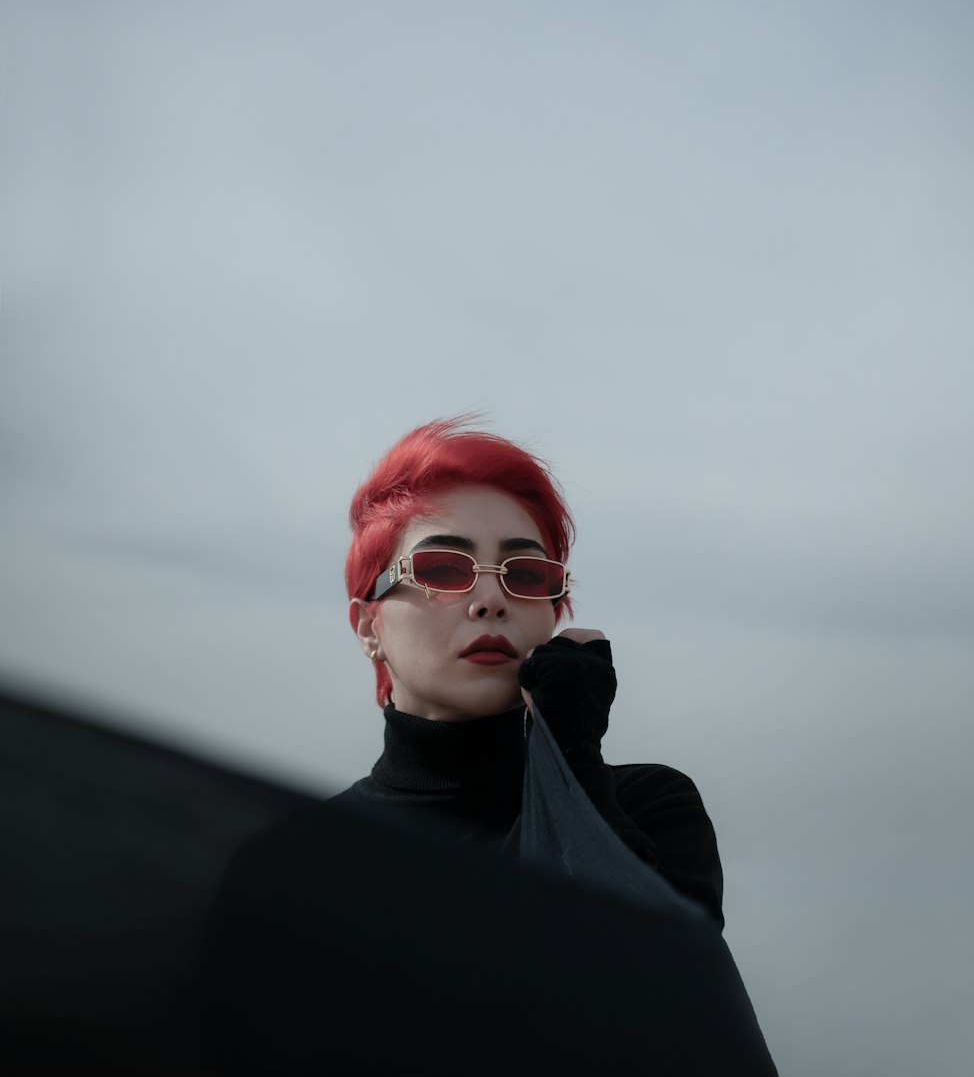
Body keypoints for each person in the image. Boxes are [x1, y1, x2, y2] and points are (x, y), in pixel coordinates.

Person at [199, 419, 771, 1076]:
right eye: (444, 568)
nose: (491, 598)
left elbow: (651, 1006)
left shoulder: (647, 807)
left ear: (554, 620)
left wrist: (571, 746)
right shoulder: (294, 863)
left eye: (526, 575)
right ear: (368, 625)